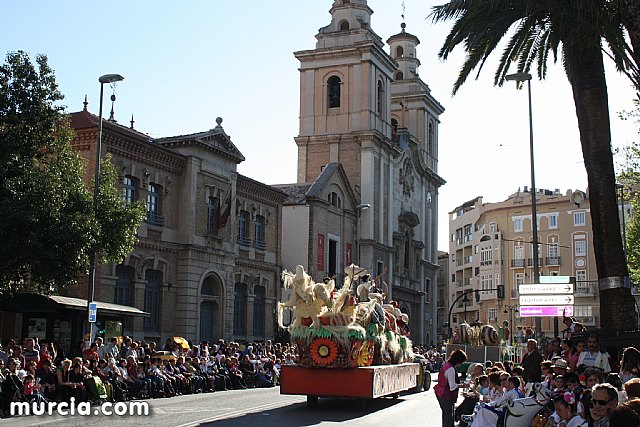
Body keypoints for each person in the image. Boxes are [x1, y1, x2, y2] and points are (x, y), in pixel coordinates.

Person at [434, 349, 468, 427]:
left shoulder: (447, 365)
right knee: (448, 418)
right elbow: (452, 386)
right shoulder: (451, 369)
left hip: (441, 392)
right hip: (445, 394)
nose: (460, 364)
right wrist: (463, 385)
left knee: (447, 416)